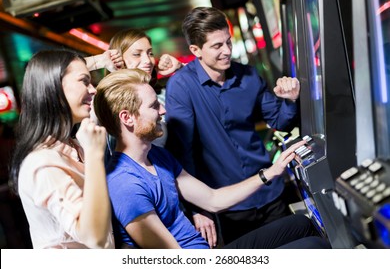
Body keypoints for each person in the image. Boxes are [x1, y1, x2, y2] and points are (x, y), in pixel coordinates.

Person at [93, 68, 330, 249]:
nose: (163, 111)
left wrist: (271, 171)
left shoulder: (157, 156)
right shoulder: (124, 184)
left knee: (302, 224)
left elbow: (213, 199)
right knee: (314, 247)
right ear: (127, 117)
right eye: (154, 106)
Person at [164, 6, 301, 246]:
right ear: (195, 50)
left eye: (228, 42)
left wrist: (290, 99)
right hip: (228, 205)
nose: (227, 51)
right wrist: (198, 208)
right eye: (217, 46)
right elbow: (182, 154)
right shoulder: (182, 87)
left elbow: (280, 121)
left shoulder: (248, 76)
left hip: (270, 192)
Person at [9, 50, 113, 249]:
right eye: (84, 81)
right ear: (54, 89)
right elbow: (93, 237)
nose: (93, 90)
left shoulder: (74, 145)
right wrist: (94, 155)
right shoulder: (43, 162)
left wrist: (102, 60)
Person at [107, 28, 183, 147]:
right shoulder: (107, 102)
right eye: (137, 54)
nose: (148, 60)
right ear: (117, 59)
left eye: (150, 53)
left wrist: (180, 67)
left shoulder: (161, 96)